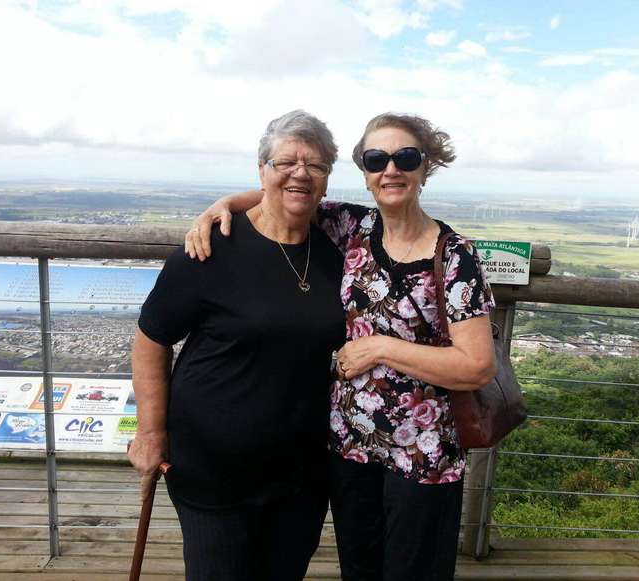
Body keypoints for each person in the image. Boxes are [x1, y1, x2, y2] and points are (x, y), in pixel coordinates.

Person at [186, 113, 496, 581]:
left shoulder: (454, 256)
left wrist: (379, 348)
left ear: (425, 167)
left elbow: (475, 366)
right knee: (360, 568)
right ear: (365, 173)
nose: (391, 169)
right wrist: (222, 204)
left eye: (405, 158)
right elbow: (286, 195)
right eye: (377, 159)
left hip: (423, 453)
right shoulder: (351, 226)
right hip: (350, 446)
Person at [128, 110, 346, 581]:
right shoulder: (213, 246)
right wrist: (150, 432)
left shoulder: (336, 251)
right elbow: (151, 337)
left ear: (328, 180)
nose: (300, 174)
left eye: (316, 165)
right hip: (212, 468)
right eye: (285, 161)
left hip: (301, 473)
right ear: (261, 169)